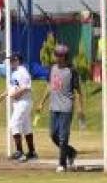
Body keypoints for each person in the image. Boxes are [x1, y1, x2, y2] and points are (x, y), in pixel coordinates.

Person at [36, 44, 85, 172]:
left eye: (59, 55)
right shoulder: (52, 69)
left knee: (63, 136)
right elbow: (49, 86)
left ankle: (62, 164)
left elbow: (78, 91)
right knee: (53, 135)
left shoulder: (71, 71)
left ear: (65, 56)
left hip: (66, 107)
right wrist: (41, 102)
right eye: (55, 54)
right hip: (54, 107)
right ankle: (71, 152)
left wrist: (80, 108)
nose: (56, 57)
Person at [0, 52, 38, 161]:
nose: (10, 62)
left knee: (14, 123)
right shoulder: (15, 72)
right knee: (26, 127)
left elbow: (26, 87)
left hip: (23, 102)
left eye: (12, 60)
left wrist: (15, 94)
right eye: (10, 61)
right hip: (19, 103)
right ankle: (32, 152)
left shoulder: (22, 71)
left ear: (17, 61)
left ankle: (19, 152)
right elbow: (12, 87)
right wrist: (4, 94)